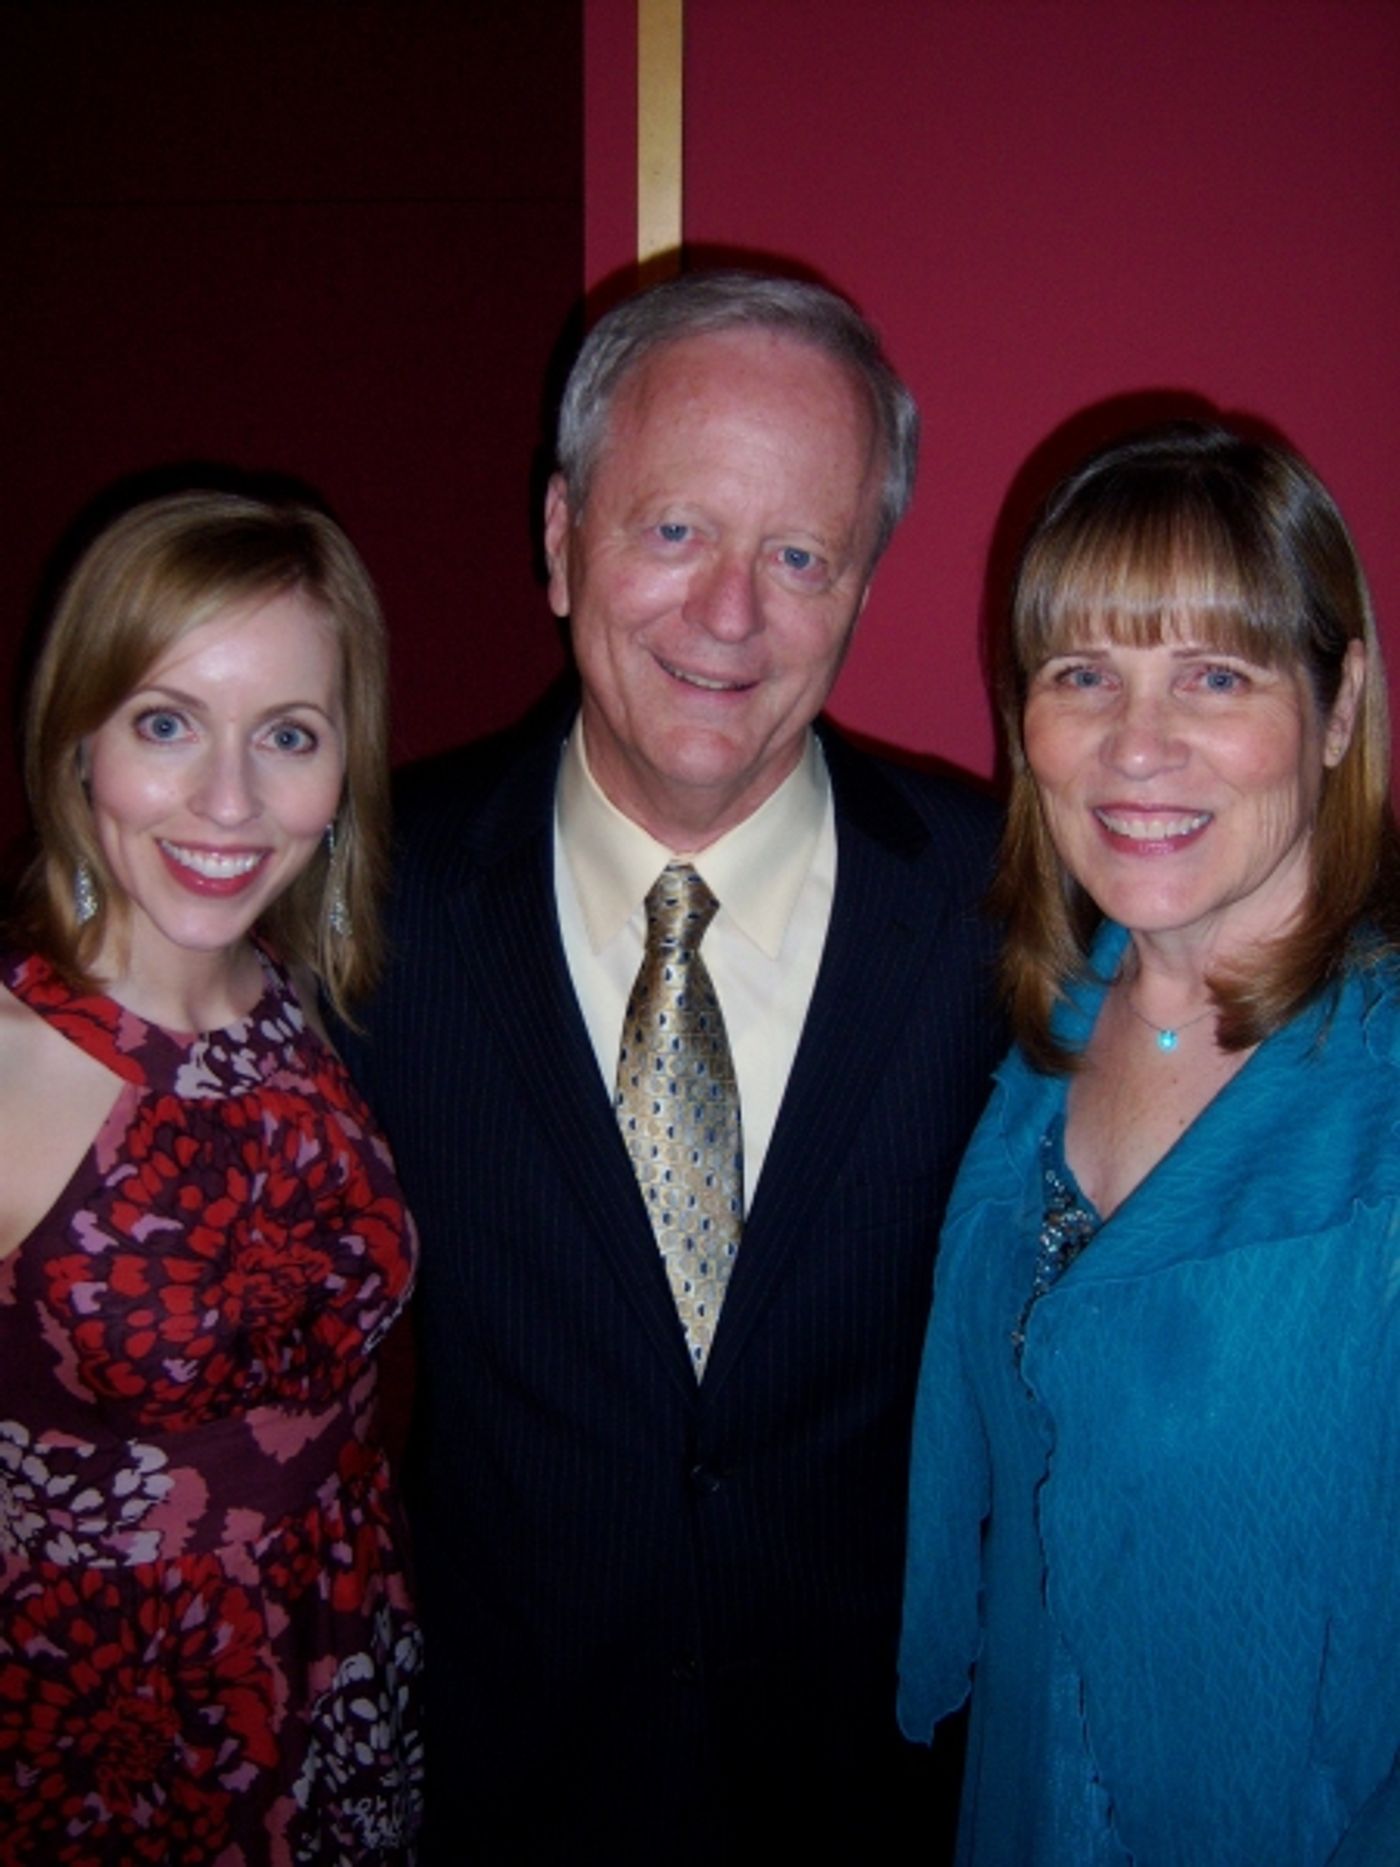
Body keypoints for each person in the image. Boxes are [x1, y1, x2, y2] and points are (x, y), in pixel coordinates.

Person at [340, 270, 1004, 1862]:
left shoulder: (1006, 915)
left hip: (889, 1808)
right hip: (500, 1799)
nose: (731, 616)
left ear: (861, 586)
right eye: (674, 531)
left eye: (798, 555)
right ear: (562, 540)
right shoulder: (367, 904)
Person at [898, 420, 1400, 1865]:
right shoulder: (1049, 1019)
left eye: (1216, 677)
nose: (1136, 747)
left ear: (1341, 698)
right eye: (1083, 677)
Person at [0, 491, 422, 1863]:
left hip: (347, 1687)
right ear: (80, 737)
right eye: (166, 722)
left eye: (287, 736)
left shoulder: (304, 1007)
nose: (229, 801)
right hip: (106, 1753)